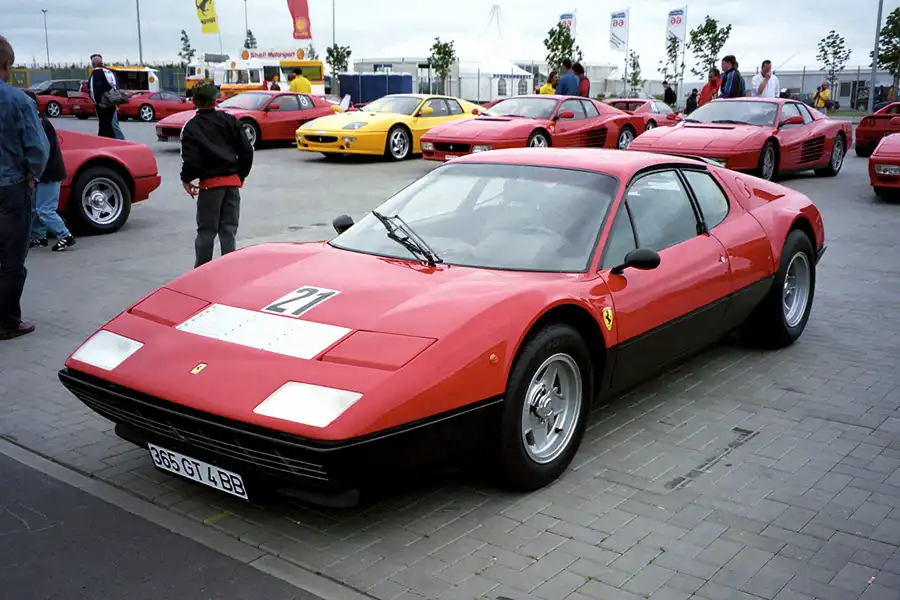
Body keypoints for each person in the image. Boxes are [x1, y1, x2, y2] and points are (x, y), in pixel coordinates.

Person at [0, 35, 49, 340]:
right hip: (10, 189)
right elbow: (38, 149)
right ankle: (6, 321)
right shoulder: (18, 101)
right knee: (12, 258)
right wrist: (33, 175)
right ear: (6, 65)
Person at [179, 82, 254, 268]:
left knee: (206, 231)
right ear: (216, 99)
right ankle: (228, 270)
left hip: (210, 186)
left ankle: (202, 271)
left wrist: (186, 179)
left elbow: (191, 160)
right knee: (228, 230)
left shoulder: (191, 127)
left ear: (194, 101)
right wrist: (240, 176)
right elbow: (247, 151)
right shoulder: (230, 121)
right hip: (231, 184)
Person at [23, 91, 75, 252]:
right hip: (45, 173)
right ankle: (38, 237)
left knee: (44, 209)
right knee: (36, 208)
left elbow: (42, 151)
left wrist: (34, 170)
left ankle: (65, 235)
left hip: (49, 173)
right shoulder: (38, 121)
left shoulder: (39, 124)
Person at [88, 54, 119, 138]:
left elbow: (94, 91)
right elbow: (115, 86)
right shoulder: (109, 72)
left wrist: (96, 103)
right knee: (107, 125)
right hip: (112, 103)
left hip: (102, 105)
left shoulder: (96, 74)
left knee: (104, 126)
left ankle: (109, 143)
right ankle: (110, 141)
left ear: (93, 64)